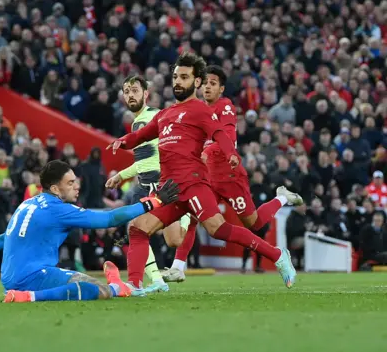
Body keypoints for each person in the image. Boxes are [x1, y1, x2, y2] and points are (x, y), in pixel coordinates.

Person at [108, 53, 296, 290]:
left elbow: (219, 134)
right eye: (176, 76)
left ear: (196, 82)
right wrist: (123, 141)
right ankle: (134, 286)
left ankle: (278, 256)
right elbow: (141, 136)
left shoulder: (200, 110)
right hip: (169, 191)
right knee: (138, 228)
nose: (178, 81)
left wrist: (231, 154)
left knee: (218, 229)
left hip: (194, 185)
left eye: (184, 77)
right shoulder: (164, 115)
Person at [0, 160, 180, 302]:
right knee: (99, 291)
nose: (77, 186)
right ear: (55, 189)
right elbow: (110, 218)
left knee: (88, 281)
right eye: (71, 183)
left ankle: (116, 284)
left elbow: (5, 237)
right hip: (32, 278)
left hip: (11, 277)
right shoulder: (59, 210)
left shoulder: (28, 203)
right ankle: (29, 297)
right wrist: (154, 202)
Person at [162, 65, 303, 282]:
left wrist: (206, 151)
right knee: (192, 217)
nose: (208, 87)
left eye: (213, 83)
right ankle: (178, 267)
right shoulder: (196, 109)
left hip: (229, 176)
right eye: (205, 83)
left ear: (221, 89)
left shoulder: (224, 106)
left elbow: (226, 136)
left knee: (254, 224)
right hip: (206, 178)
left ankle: (282, 197)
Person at [104, 75, 168, 293]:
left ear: (146, 94)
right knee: (143, 232)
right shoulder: (153, 117)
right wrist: (121, 175)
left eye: (135, 90)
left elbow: (147, 163)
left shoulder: (143, 121)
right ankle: (158, 278)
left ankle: (139, 282)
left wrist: (126, 177)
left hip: (151, 184)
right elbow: (147, 159)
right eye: (126, 91)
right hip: (160, 181)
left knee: (136, 230)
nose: (130, 95)